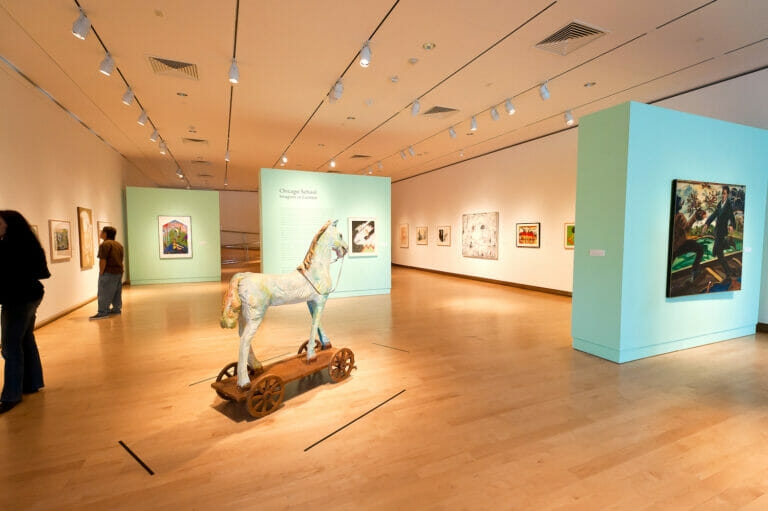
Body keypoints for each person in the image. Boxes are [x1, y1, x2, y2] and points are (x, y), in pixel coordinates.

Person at [0, 210, 50, 414]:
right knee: (26, 340)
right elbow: (42, 272)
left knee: (11, 346)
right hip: (32, 296)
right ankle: (32, 383)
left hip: (17, 300)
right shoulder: (30, 244)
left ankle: (11, 395)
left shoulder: (8, 247)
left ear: (9, 224)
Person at [89, 226, 124, 320]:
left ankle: (103, 312)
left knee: (103, 292)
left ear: (105, 234)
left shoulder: (105, 244)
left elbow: (103, 260)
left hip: (109, 272)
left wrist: (101, 271)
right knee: (117, 292)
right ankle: (116, 309)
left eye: (102, 232)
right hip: (119, 272)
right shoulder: (118, 245)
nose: (100, 233)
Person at [704, 185, 736, 278]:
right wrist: (707, 223)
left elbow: (732, 219)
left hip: (722, 233)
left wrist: (731, 225)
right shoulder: (719, 204)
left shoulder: (729, 206)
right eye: (722, 193)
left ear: (728, 195)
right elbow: (714, 215)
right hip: (717, 232)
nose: (722, 195)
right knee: (718, 253)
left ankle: (728, 272)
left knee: (718, 253)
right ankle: (729, 271)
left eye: (724, 194)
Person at [671, 198, 707, 281]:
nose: (682, 204)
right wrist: (695, 217)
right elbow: (686, 228)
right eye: (681, 203)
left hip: (673, 248)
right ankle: (695, 272)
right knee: (700, 249)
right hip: (680, 245)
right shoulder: (680, 216)